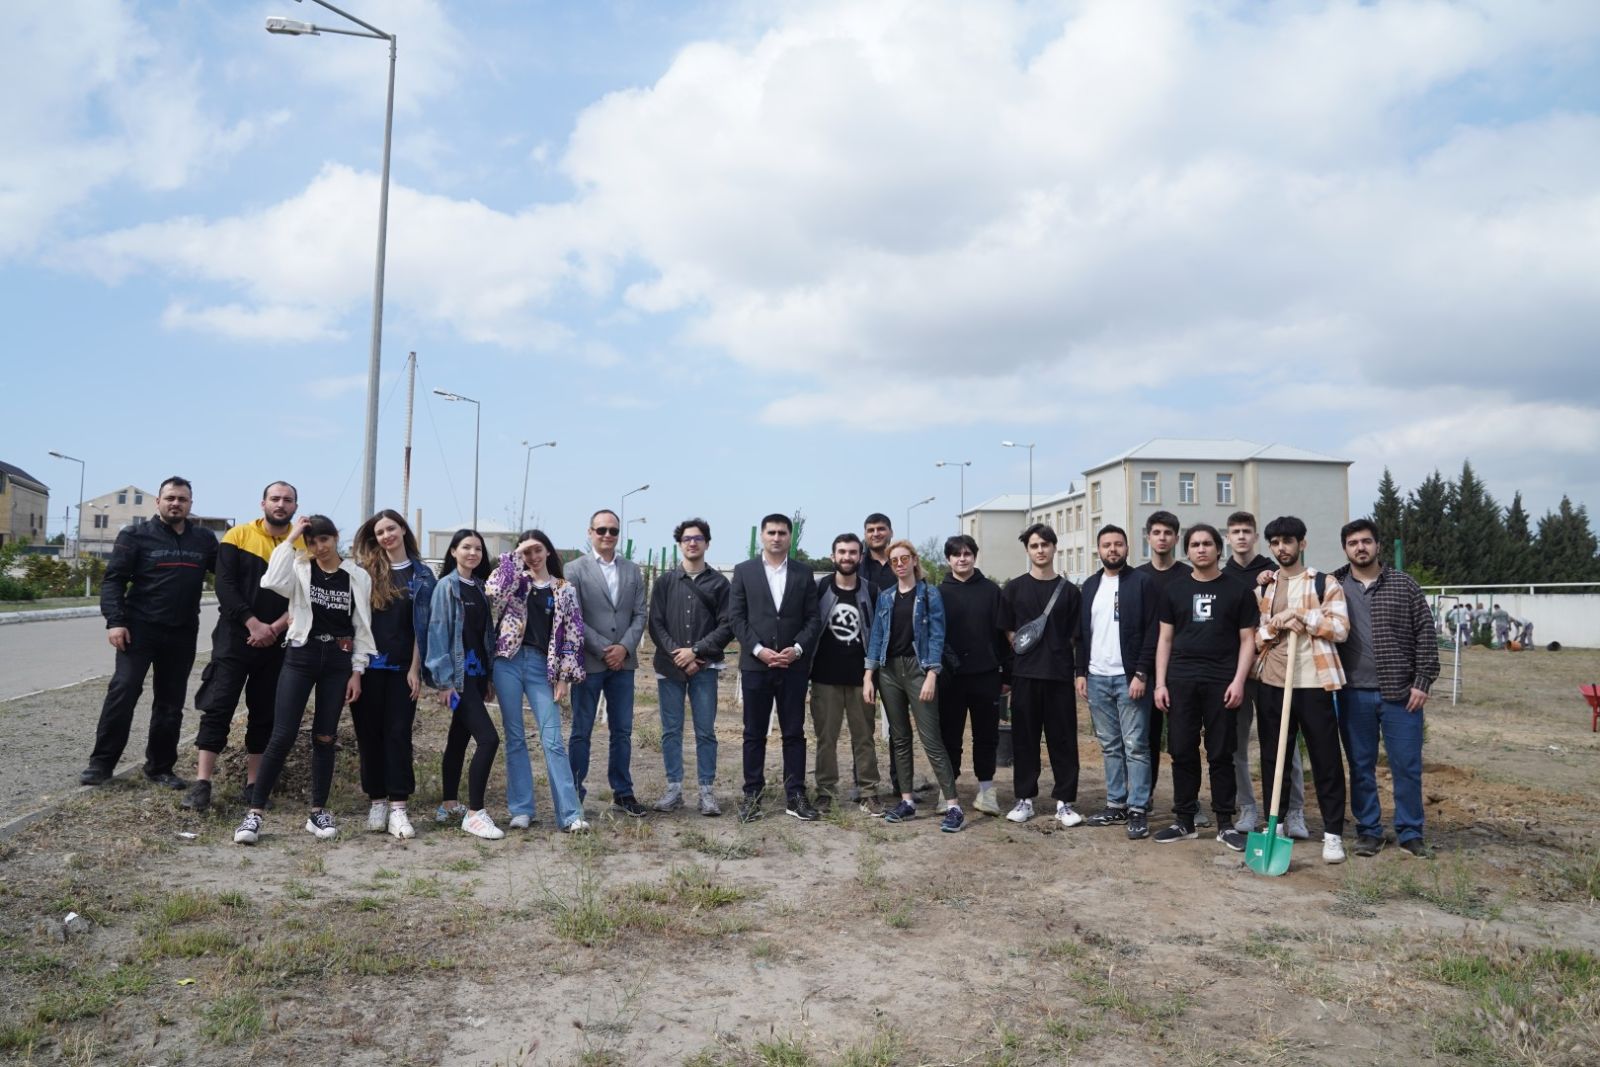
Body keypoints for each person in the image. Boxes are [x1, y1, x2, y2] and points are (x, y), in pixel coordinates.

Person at [232, 514, 374, 845]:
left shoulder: (357, 576)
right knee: (282, 735)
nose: (319, 547)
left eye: (324, 540)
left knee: (325, 736)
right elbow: (271, 581)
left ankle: (317, 812)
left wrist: (357, 671)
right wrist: (290, 538)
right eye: (312, 542)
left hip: (338, 659)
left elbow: (362, 625)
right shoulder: (299, 567)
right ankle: (254, 814)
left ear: (335, 537)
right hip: (301, 655)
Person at [81, 476, 218, 789]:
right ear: (158, 502)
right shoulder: (135, 536)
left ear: (190, 504)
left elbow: (229, 573)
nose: (176, 504)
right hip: (138, 630)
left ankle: (160, 768)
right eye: (170, 498)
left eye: (182, 499)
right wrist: (115, 621)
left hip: (182, 632)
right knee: (123, 691)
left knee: (170, 703)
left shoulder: (203, 540)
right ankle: (101, 764)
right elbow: (114, 580)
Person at [185, 482, 299, 814]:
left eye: (287, 500)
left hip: (278, 643)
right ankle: (202, 783)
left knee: (265, 713)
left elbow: (304, 596)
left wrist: (274, 628)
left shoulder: (303, 543)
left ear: (295, 506)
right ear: (263, 503)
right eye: (275, 499)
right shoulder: (237, 536)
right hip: (234, 639)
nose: (280, 504)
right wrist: (253, 624)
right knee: (218, 707)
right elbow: (225, 585)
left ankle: (254, 785)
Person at [1332, 519, 1439, 859]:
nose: (1360, 547)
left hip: (1402, 695)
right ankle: (1369, 831)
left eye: (1366, 541)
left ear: (1377, 545)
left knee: (1406, 766)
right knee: (1360, 766)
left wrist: (1422, 682)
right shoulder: (1332, 586)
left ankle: (1410, 832)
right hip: (1352, 694)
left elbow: (1426, 634)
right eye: (1353, 543)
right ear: (1345, 549)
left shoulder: (1404, 585)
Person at [1252, 516, 1350, 864]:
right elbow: (1257, 637)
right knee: (1273, 757)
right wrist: (1275, 626)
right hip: (1273, 683)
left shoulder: (1325, 583)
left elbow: (1340, 629)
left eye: (1288, 541)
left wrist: (1303, 615)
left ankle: (1333, 834)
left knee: (1325, 759)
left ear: (1302, 544)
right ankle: (1275, 825)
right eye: (1276, 542)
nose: (1282, 548)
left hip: (1313, 684)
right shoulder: (1265, 588)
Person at [1152, 524, 1255, 850]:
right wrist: (1160, 683)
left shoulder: (1238, 590)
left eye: (1207, 543)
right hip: (1181, 681)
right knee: (1181, 750)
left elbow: (1248, 640)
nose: (1201, 549)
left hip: (1222, 682)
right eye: (1195, 544)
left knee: (1221, 752)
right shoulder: (1174, 590)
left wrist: (1239, 681)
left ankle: (1225, 823)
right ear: (1187, 551)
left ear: (1218, 549)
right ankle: (1184, 820)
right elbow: (1165, 639)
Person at [486, 529, 590, 833]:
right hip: (507, 662)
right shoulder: (515, 582)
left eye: (537, 550)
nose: (532, 556)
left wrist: (565, 677)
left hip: (542, 667)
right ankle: (521, 809)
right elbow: (493, 592)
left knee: (553, 740)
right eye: (526, 551)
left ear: (547, 551)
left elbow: (573, 634)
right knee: (515, 737)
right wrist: (514, 558)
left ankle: (570, 814)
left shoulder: (564, 589)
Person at [864, 540, 964, 832]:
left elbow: (936, 635)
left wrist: (932, 674)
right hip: (889, 671)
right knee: (899, 738)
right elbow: (877, 636)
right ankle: (906, 801)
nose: (899, 564)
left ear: (914, 560)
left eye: (904, 558)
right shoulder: (886, 597)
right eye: (894, 560)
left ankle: (953, 805)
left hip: (919, 669)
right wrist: (868, 675)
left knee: (931, 739)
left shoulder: (929, 594)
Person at [728, 513, 822, 822]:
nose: (777, 537)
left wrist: (796, 650)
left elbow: (813, 618)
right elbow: (736, 617)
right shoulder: (744, 571)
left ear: (790, 537)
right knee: (754, 733)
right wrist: (759, 650)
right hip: (757, 666)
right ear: (762, 536)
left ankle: (795, 795)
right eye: (771, 532)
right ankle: (752, 795)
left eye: (782, 532)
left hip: (793, 667)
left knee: (794, 732)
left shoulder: (803, 573)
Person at [349, 510, 436, 839]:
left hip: (402, 670)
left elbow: (422, 628)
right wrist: (354, 671)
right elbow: (355, 623)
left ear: (402, 529)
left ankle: (399, 807)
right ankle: (377, 802)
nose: (386, 536)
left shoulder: (422, 575)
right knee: (368, 734)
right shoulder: (364, 573)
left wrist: (415, 669)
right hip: (367, 668)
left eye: (391, 528)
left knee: (398, 734)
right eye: (380, 532)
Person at [1222, 511, 1308, 838]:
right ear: (1228, 538)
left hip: (1271, 669)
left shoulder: (1273, 570)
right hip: (1236, 672)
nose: (1241, 537)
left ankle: (1294, 812)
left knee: (1284, 742)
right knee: (1237, 745)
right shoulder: (1222, 574)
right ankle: (1247, 807)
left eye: (1247, 531)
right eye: (1235, 532)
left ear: (1256, 538)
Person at [998, 523, 1084, 828]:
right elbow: (1006, 630)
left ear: (1054, 548)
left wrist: (1074, 668)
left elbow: (1077, 636)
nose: (1040, 550)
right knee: (1024, 740)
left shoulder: (1070, 592)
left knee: (1064, 740)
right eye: (1034, 546)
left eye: (1045, 544)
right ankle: (1024, 798)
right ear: (1027, 550)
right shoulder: (1014, 588)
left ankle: (1065, 801)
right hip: (1024, 675)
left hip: (1058, 675)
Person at [647, 518, 734, 816]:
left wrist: (696, 653)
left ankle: (707, 792)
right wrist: (678, 655)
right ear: (679, 544)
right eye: (687, 539)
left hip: (705, 668)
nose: (692, 543)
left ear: (707, 543)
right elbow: (656, 624)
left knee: (705, 731)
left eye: (698, 538)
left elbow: (727, 625)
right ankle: (674, 789)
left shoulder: (720, 584)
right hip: (669, 667)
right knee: (671, 731)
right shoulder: (665, 582)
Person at [1075, 525, 1157, 840]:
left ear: (1127, 548)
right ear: (1098, 550)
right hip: (1097, 677)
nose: (1113, 549)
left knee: (1135, 745)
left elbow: (1152, 632)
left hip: (1129, 678)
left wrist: (1141, 673)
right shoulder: (1090, 585)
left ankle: (1138, 808)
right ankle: (1116, 803)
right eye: (1107, 545)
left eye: (1118, 544)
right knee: (1109, 745)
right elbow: (1082, 633)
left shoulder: (1142, 583)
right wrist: (1080, 672)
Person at [566, 509, 648, 817]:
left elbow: (640, 614)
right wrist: (604, 649)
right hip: (590, 663)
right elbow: (573, 615)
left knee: (622, 731)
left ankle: (623, 792)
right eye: (601, 530)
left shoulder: (632, 570)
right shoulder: (574, 569)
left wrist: (624, 648)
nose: (607, 535)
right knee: (581, 731)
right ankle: (573, 793)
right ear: (590, 532)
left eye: (613, 530)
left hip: (623, 665)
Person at [424, 529, 504, 840]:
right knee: (488, 739)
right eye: (466, 547)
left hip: (476, 678)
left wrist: (488, 678)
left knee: (459, 737)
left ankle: (448, 805)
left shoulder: (480, 587)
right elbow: (437, 634)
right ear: (453, 551)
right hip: (457, 683)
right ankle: (475, 814)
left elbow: (485, 637)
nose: (473, 553)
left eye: (478, 549)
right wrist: (444, 683)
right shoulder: (447, 587)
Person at [937, 534, 1011, 817]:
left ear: (975, 556)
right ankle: (948, 792)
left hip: (986, 676)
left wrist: (1007, 674)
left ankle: (986, 791)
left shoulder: (991, 591)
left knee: (986, 736)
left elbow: (1003, 636)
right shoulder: (938, 593)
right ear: (948, 559)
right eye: (956, 554)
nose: (962, 559)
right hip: (950, 679)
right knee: (949, 737)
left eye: (967, 553)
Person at [808, 533, 882, 814]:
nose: (847, 557)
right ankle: (825, 792)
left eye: (852, 552)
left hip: (861, 679)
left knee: (864, 738)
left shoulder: (871, 591)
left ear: (860, 556)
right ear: (833, 556)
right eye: (842, 552)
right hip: (824, 678)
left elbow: (878, 634)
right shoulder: (819, 589)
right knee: (826, 739)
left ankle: (868, 792)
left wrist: (871, 674)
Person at [1135, 510, 1193, 823]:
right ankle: (1144, 798)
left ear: (1176, 538)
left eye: (1168, 533)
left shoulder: (1188, 575)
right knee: (1146, 739)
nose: (1162, 538)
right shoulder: (1137, 577)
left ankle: (1189, 803)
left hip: (1182, 669)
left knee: (1184, 741)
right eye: (1156, 533)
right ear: (1148, 537)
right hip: (1146, 670)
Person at [861, 513, 896, 595]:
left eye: (881, 529)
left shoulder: (905, 563)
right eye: (871, 530)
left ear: (891, 532)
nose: (876, 534)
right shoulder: (856, 566)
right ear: (865, 535)